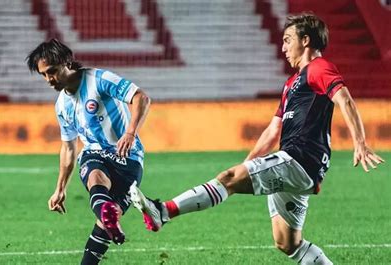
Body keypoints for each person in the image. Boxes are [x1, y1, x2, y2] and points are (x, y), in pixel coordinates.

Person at [129, 13, 384, 265]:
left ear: (306, 41)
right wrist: (247, 165)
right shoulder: (292, 82)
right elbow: (273, 130)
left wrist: (360, 142)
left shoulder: (319, 68)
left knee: (227, 179)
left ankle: (163, 212)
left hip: (299, 160)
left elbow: (344, 98)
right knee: (288, 243)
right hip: (296, 164)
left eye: (288, 40)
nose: (283, 47)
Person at [26, 39, 151, 264]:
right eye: (43, 75)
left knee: (104, 224)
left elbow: (141, 97)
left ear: (67, 61)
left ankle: (107, 214)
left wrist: (130, 133)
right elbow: (68, 147)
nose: (48, 79)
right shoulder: (61, 106)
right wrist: (60, 188)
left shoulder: (99, 80)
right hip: (95, 155)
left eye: (52, 72)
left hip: (129, 157)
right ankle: (107, 212)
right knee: (94, 172)